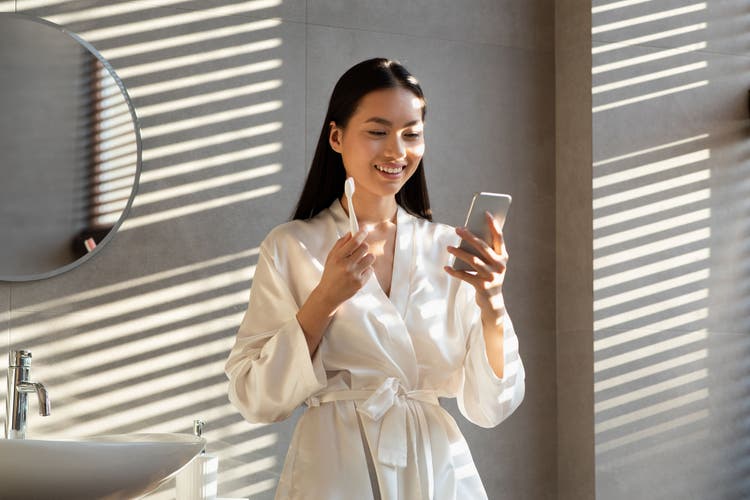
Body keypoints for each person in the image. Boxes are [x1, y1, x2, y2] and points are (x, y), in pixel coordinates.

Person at [225, 57, 525, 500]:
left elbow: (491, 406)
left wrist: (492, 302)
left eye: (412, 134)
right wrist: (324, 298)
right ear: (336, 136)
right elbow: (255, 396)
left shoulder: (447, 247)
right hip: (334, 468)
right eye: (378, 131)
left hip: (436, 469)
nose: (396, 151)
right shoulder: (292, 246)